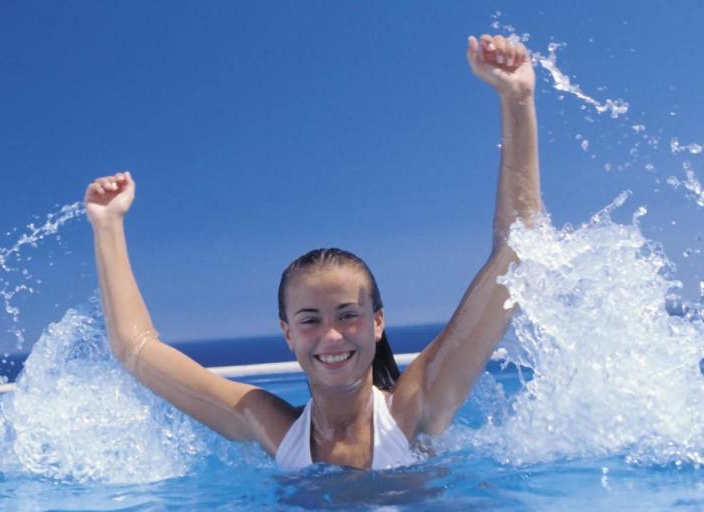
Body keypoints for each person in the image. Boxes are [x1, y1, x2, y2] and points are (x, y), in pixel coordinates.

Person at [83, 34, 542, 471]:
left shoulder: (416, 406)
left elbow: (517, 252)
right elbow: (135, 349)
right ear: (287, 333)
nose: (332, 337)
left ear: (378, 322)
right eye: (310, 320)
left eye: (347, 315)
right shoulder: (268, 425)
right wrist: (108, 226)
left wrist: (517, 101)